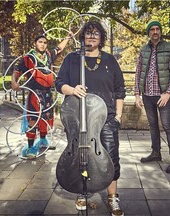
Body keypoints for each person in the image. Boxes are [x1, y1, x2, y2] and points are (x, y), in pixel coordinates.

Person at [55, 20, 125, 216]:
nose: (92, 36)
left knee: (111, 158)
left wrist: (118, 116)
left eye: (96, 33)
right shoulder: (72, 59)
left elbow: (120, 90)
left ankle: (112, 198)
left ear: (101, 38)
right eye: (88, 33)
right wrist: (72, 89)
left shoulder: (110, 60)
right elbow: (59, 82)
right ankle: (82, 191)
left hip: (107, 118)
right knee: (80, 156)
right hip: (80, 118)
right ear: (83, 36)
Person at [11, 32, 73, 159]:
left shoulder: (49, 55)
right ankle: (30, 148)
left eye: (45, 42)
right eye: (40, 42)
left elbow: (59, 48)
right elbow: (17, 71)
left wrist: (68, 37)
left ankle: (43, 141)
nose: (43, 44)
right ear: (35, 43)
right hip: (35, 93)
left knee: (46, 117)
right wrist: (14, 82)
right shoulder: (28, 58)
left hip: (47, 93)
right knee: (34, 119)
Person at [134, 20, 170, 173]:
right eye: (152, 29)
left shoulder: (169, 48)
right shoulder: (143, 50)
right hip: (147, 95)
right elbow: (138, 72)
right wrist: (136, 94)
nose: (155, 31)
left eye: (157, 29)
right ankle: (156, 153)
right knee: (152, 126)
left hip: (162, 96)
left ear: (160, 32)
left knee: (168, 126)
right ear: (149, 32)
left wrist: (168, 93)